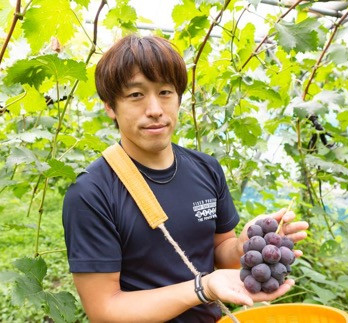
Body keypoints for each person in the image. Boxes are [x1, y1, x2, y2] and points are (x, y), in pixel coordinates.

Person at [62, 34, 309, 322]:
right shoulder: (91, 192)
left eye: (165, 92)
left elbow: (220, 252)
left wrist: (243, 247)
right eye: (136, 95)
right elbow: (105, 310)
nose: (155, 110)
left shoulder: (206, 168)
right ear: (110, 106)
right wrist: (201, 289)